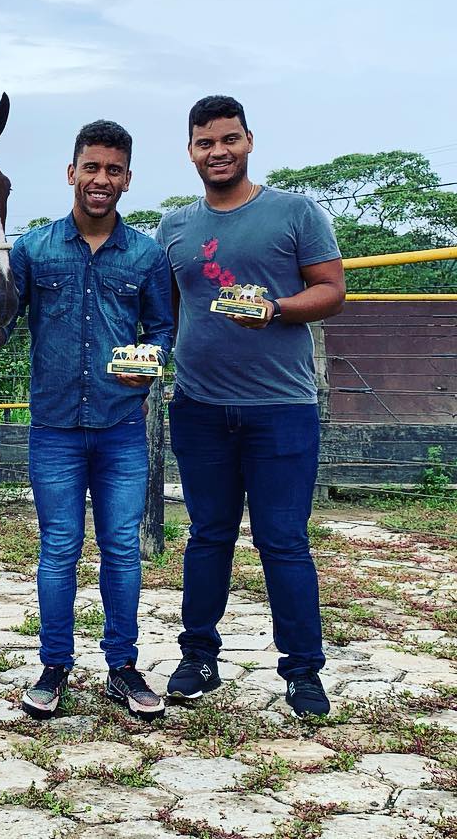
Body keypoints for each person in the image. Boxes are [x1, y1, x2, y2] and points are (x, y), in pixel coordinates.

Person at [0, 120, 173, 721]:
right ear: (71, 173)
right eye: (91, 167)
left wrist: (151, 363)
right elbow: (5, 314)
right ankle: (54, 666)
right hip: (54, 428)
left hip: (121, 428)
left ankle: (123, 667)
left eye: (113, 170)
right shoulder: (32, 249)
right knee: (58, 548)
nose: (100, 179)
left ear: (127, 179)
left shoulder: (147, 255)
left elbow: (161, 331)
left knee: (122, 550)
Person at [155, 95, 345, 717]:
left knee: (283, 541)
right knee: (207, 536)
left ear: (249, 141)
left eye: (229, 139)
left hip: (280, 409)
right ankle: (198, 657)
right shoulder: (175, 227)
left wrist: (276, 309)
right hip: (199, 407)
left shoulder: (295, 212)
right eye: (206, 143)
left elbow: (331, 291)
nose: (219, 152)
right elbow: (168, 311)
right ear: (190, 151)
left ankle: (303, 670)